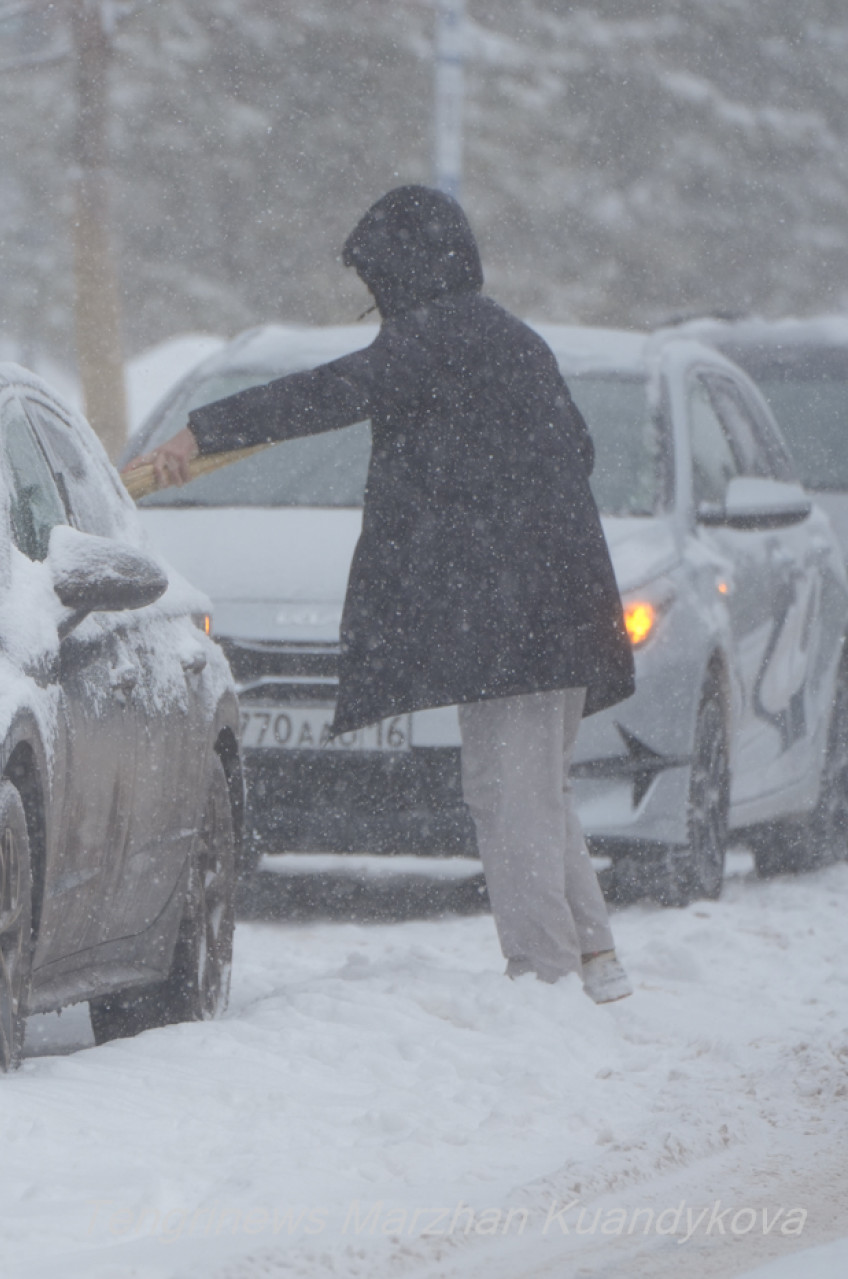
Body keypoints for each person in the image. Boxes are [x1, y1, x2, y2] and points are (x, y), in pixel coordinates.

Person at [128, 185, 636, 1003]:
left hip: (519, 615)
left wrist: (205, 430)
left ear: (409, 270)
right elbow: (573, 446)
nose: (378, 302)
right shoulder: (512, 340)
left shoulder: (442, 336)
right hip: (560, 605)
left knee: (510, 796)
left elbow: (327, 392)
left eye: (380, 279)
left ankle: (542, 978)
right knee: (534, 788)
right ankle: (593, 961)